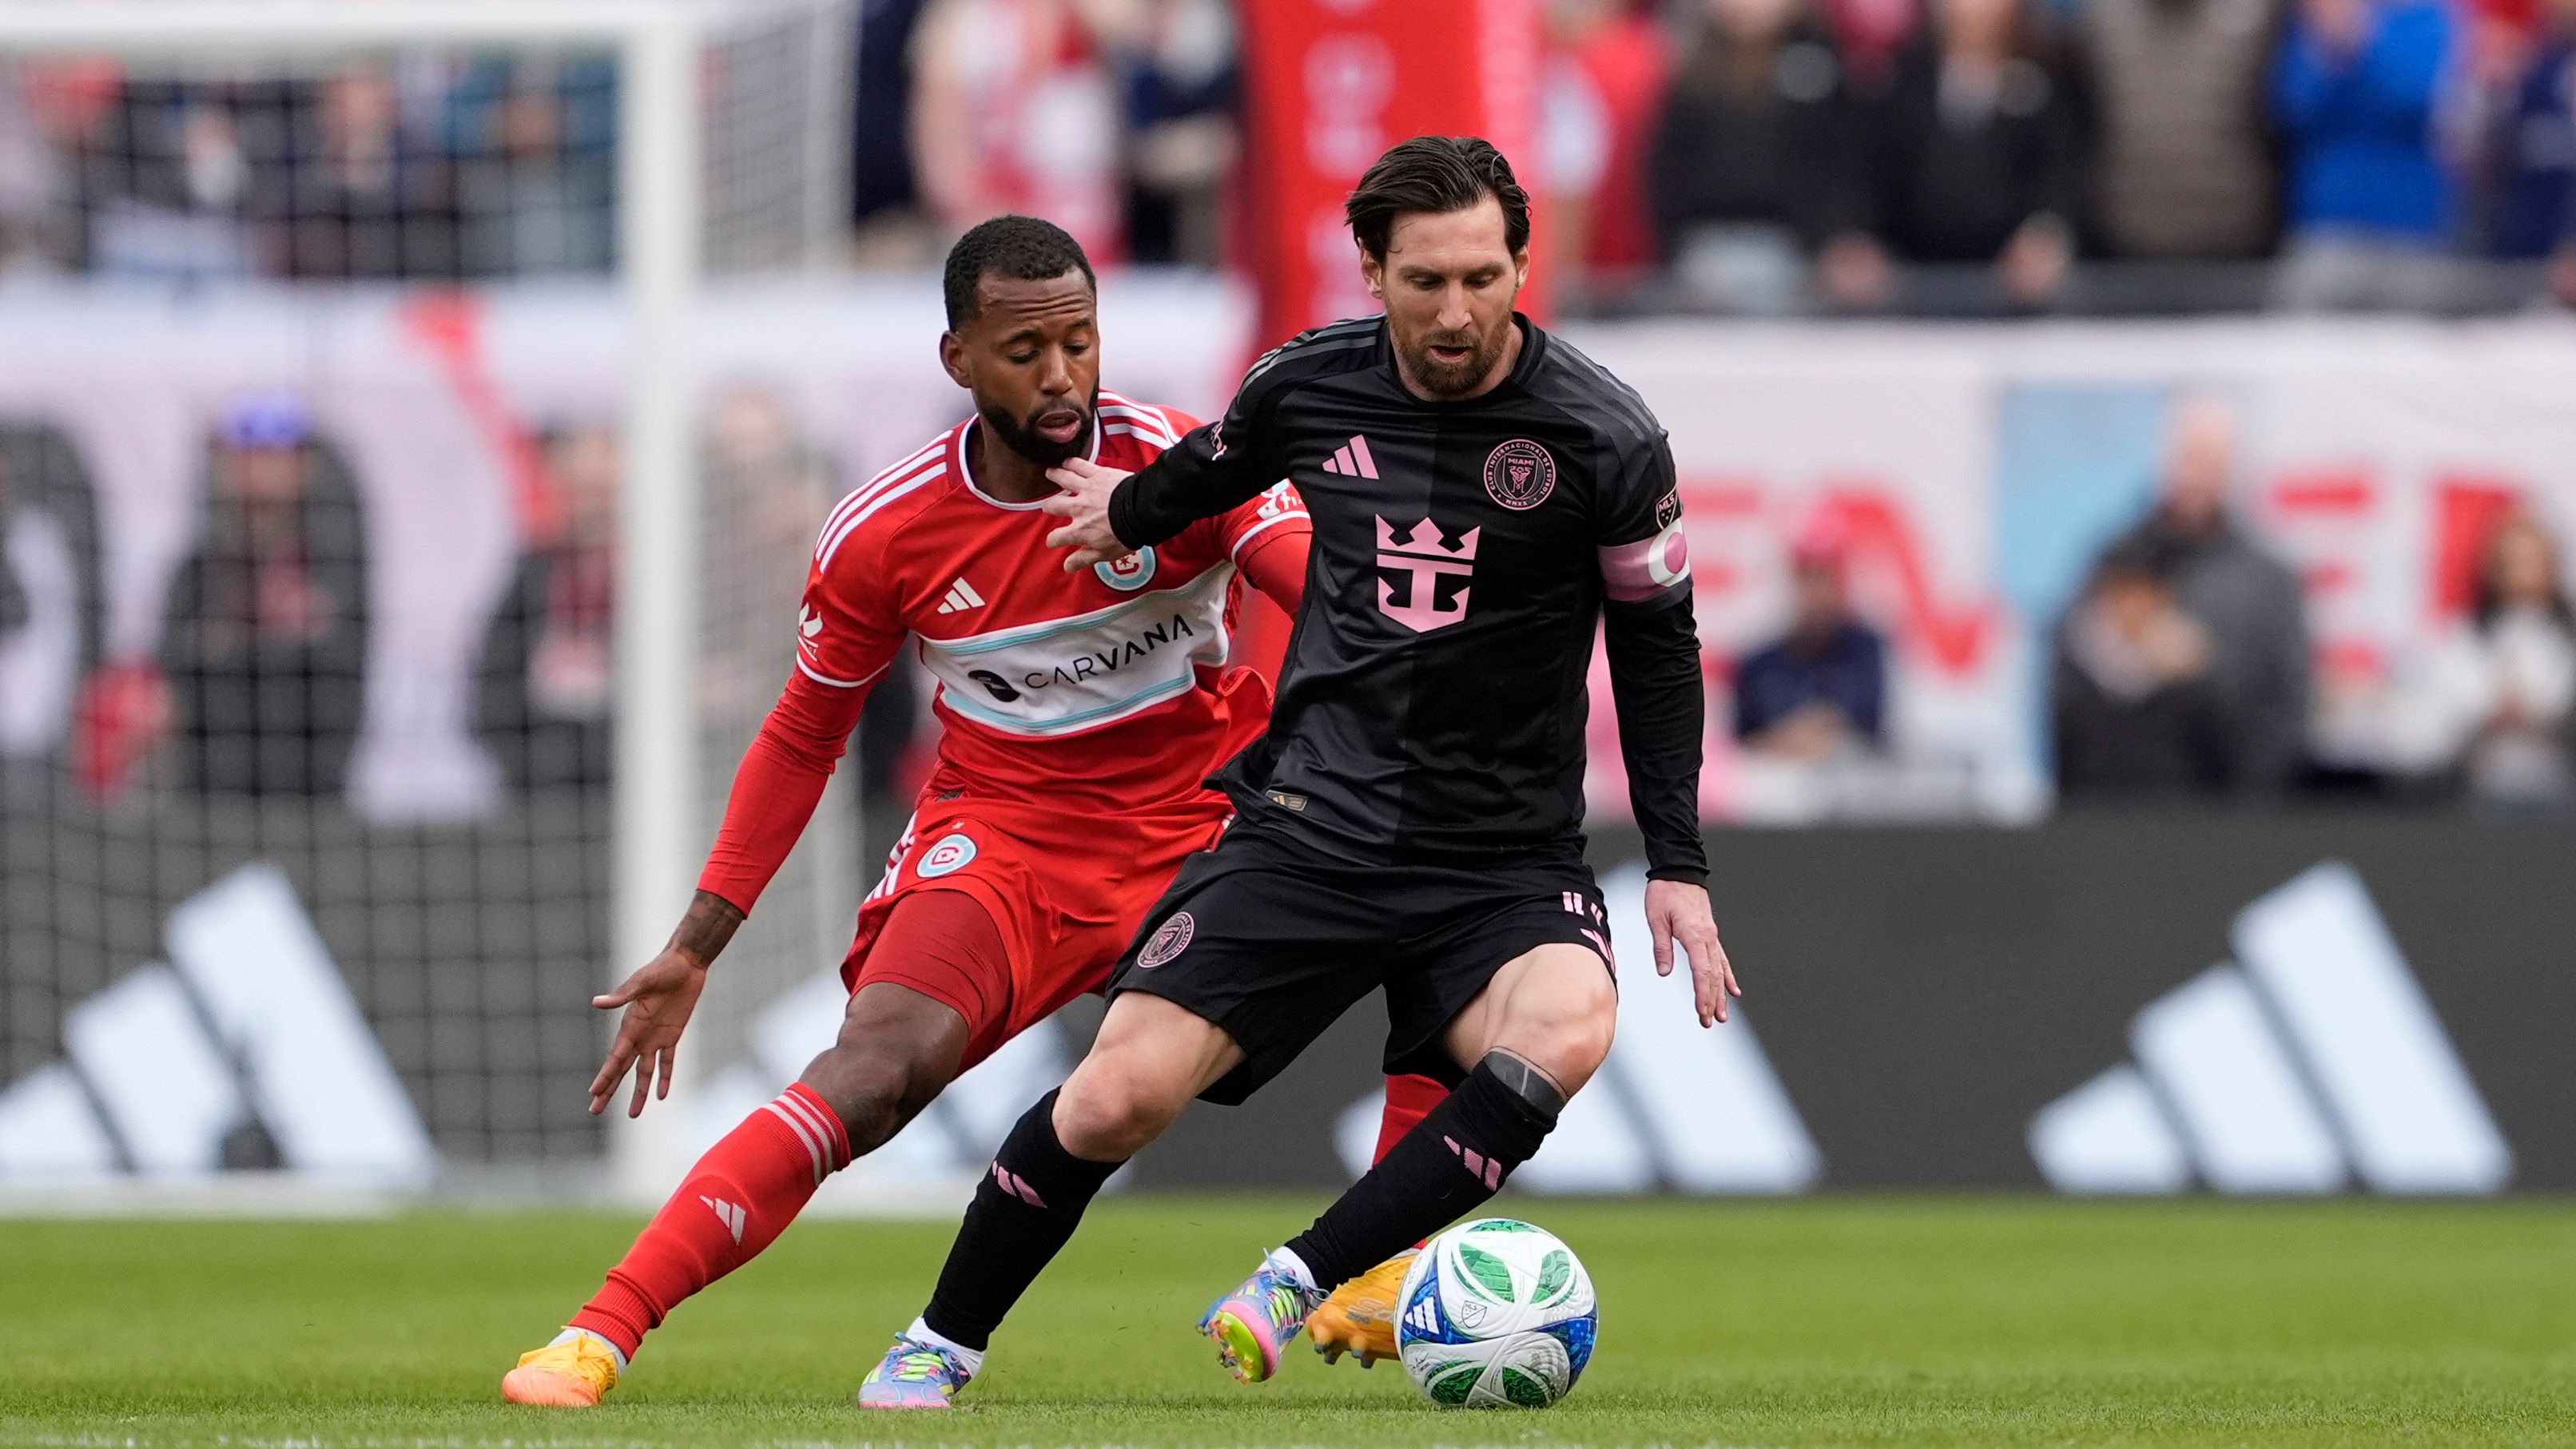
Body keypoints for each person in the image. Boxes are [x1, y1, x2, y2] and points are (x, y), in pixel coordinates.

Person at [850, 137, 1735, 1409]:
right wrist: (1128, 511)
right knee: (1112, 1098)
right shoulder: (1307, 383)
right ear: (1371, 272)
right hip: (1308, 828)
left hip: (1501, 858)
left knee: (1568, 1024)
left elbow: (1658, 647)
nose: (1457, 311)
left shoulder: (1608, 437)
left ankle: (1297, 1276)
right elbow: (1208, 470)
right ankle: (942, 1339)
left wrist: (1680, 863)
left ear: (1522, 264)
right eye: (1425, 281)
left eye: (1483, 277)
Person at [498, 214, 1435, 1407]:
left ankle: (1378, 1262)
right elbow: (801, 736)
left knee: (1428, 922)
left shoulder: (1186, 463)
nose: (1061, 376)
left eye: (1080, 341)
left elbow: (1336, 603)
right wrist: (696, 944)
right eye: (1024, 350)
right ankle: (599, 1331)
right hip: (1008, 836)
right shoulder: (888, 530)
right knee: (875, 1072)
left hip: (1205, 831)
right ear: (959, 359)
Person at [2087, 393, 2311, 795]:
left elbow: (2286, 707)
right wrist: (2122, 654)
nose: (2194, 476)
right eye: (2187, 457)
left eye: (2208, 460)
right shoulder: (2117, 563)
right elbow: (2072, 688)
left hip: (2226, 801)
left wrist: (2203, 670)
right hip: (2127, 802)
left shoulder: (2266, 582)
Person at [156, 393, 370, 799]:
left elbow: (335, 678)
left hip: (309, 800)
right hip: (208, 802)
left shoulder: (331, 569)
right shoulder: (196, 574)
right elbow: (173, 674)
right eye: (248, 456)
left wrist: (227, 652)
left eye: (276, 456)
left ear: (304, 468)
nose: (261, 471)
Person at [1646, 0, 1878, 310]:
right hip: (1703, 251)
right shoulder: (1694, 76)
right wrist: (1675, 243)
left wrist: (1831, 240)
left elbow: (1842, 166)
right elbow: (1668, 172)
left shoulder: (1822, 69)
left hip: (1800, 254)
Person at [1855, 0, 2085, 308]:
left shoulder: (2047, 81)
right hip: (1907, 286)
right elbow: (1866, 175)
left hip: (2016, 294)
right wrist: (1856, 240)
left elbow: (2061, 173)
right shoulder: (1897, 84)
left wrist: (2046, 233)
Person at [2269, 0, 2459, 309]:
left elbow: (2421, 101)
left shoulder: (2431, 17)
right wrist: (2330, 52)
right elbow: (2294, 107)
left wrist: (2358, 42)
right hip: (2326, 223)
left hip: (2411, 230)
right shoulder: (2324, 15)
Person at [2073, 0, 2282, 264]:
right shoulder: (2097, 22)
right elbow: (2075, 133)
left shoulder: (2260, 16)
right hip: (2123, 246)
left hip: (2239, 247)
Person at [476, 423, 620, 796]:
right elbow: (492, 686)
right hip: (543, 784)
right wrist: (526, 766)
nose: (588, 503)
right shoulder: (535, 571)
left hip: (627, 778)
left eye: (599, 491)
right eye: (578, 489)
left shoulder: (655, 583)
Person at [2408, 512, 2576, 808]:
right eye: (2511, 563)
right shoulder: (2465, 638)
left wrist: (2543, 718)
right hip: (2474, 795)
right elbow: (2435, 721)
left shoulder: (2566, 637)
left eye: (2531, 562)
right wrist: (2487, 714)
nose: (2521, 574)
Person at [2051, 542, 2233, 798]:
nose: (2134, 607)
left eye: (2144, 594)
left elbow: (2217, 762)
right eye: (2124, 594)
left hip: (2178, 812)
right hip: (2098, 811)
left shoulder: (2192, 671)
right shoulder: (2077, 671)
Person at [1734, 521, 1887, 759]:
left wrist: (1821, 729)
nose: (1816, 592)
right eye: (1807, 577)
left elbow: (1872, 727)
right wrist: (1787, 739)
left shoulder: (1865, 651)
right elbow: (1738, 745)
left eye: (1824, 577)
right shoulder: (1758, 666)